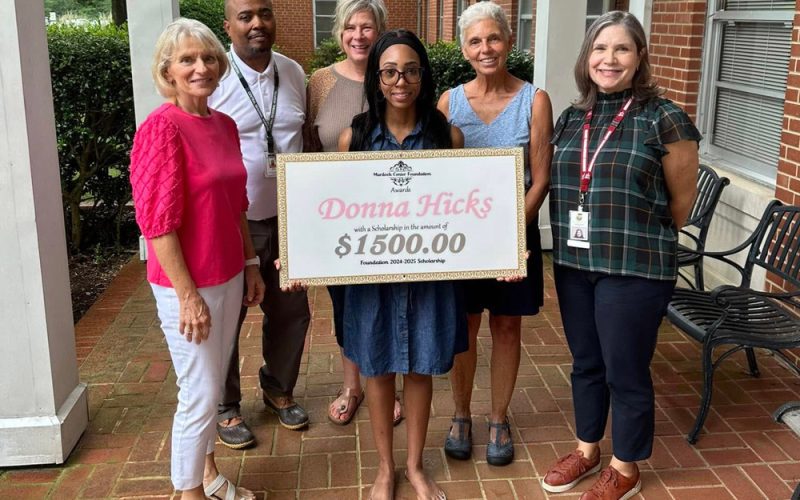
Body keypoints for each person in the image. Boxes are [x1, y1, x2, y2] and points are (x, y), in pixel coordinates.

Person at [541, 11, 699, 500]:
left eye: (622, 49)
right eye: (599, 49)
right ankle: (587, 450)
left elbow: (682, 203)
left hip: (634, 266)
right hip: (574, 264)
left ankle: (625, 466)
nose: (609, 59)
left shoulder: (664, 117)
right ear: (587, 58)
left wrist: (639, 233)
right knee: (586, 362)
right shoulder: (572, 117)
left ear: (640, 57)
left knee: (624, 367)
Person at [129, 18, 264, 500]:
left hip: (228, 272)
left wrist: (250, 264)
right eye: (187, 59)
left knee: (209, 382)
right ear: (167, 69)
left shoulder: (223, 124)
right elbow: (157, 223)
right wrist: (188, 297)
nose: (200, 67)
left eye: (207, 58)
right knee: (201, 393)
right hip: (188, 284)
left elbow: (237, 205)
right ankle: (188, 493)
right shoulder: (161, 129)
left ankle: (208, 473)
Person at [337, 29, 465, 500]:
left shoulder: (447, 135)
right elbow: (338, 215)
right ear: (376, 78)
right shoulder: (355, 137)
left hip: (429, 275)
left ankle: (414, 466)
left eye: (410, 70)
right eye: (389, 71)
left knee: (420, 369)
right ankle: (385, 469)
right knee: (377, 369)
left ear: (423, 75)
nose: (400, 80)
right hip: (374, 279)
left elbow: (464, 210)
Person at [436, 1, 552, 466]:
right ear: (464, 49)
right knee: (463, 327)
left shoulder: (534, 99)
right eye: (475, 41)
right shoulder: (450, 102)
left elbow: (539, 177)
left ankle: (499, 417)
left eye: (494, 38)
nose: (486, 48)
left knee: (506, 326)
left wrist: (507, 237)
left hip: (515, 235)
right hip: (462, 243)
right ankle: (461, 415)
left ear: (509, 41)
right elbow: (437, 180)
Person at [209, 0, 310, 446]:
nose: (256, 24)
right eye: (245, 17)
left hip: (290, 216)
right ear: (227, 25)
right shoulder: (213, 78)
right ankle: (225, 405)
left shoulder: (294, 73)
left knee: (291, 311)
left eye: (264, 14)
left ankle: (278, 389)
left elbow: (301, 138)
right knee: (227, 315)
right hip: (233, 221)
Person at [303, 0, 404, 427]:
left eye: (367, 26)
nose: (358, 35)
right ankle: (353, 385)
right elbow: (309, 146)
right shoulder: (320, 82)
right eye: (350, 27)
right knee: (345, 304)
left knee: (391, 300)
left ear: (380, 30)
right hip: (339, 219)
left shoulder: (394, 76)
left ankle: (388, 384)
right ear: (339, 33)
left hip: (391, 217)